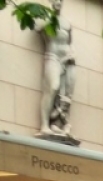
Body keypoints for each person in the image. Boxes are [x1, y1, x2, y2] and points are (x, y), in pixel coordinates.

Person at [37, 0, 76, 137]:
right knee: (53, 87)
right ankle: (44, 125)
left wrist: (71, 55)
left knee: (65, 95)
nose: (58, 2)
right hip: (52, 57)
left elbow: (69, 43)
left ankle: (59, 125)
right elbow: (39, 29)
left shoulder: (67, 23)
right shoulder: (45, 19)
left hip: (66, 61)